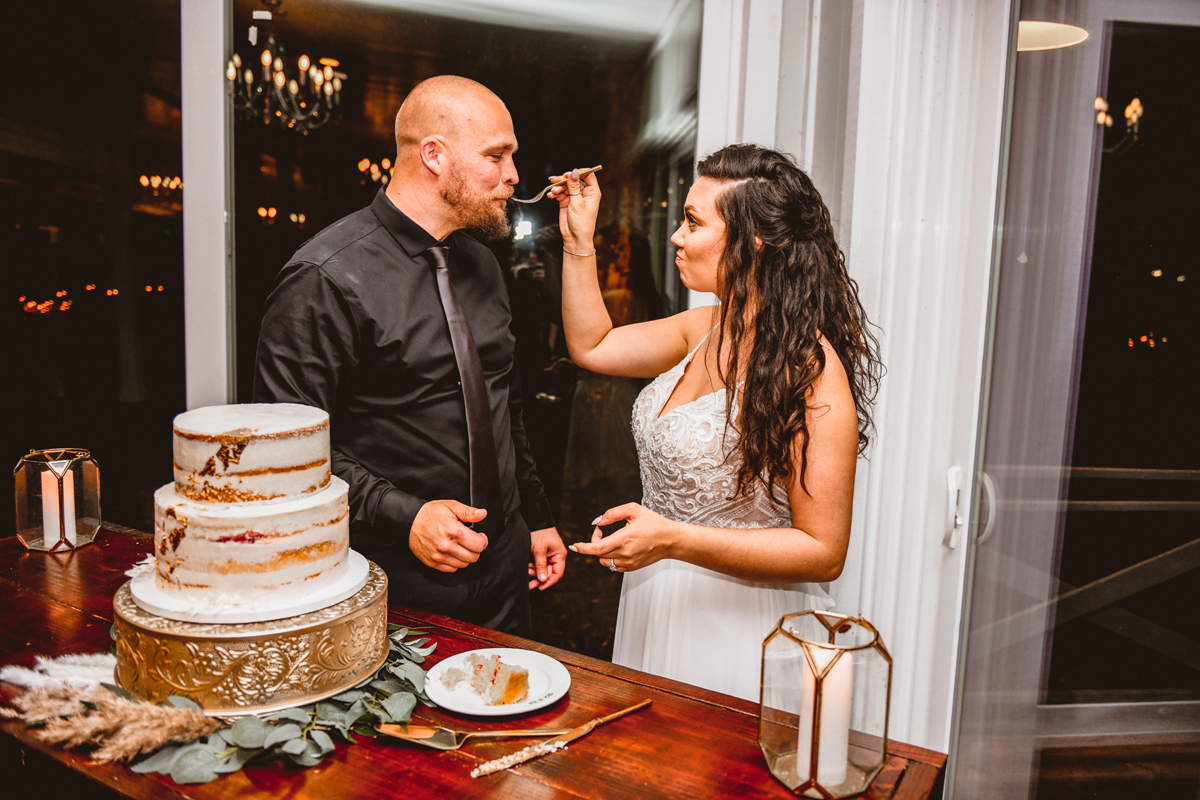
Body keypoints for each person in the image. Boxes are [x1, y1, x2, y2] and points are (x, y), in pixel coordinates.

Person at [552, 145, 881, 700]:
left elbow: (824, 550)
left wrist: (675, 539)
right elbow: (593, 345)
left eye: (693, 222)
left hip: (739, 623)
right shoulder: (703, 326)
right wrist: (578, 241)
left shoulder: (810, 370)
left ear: (753, 240)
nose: (677, 236)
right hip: (656, 598)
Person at [253, 76, 567, 637]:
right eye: (497, 156)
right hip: (391, 578)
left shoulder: (483, 266)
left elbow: (503, 404)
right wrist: (406, 517)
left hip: (503, 570)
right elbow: (282, 455)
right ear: (434, 156)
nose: (514, 176)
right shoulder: (323, 277)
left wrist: (535, 518)